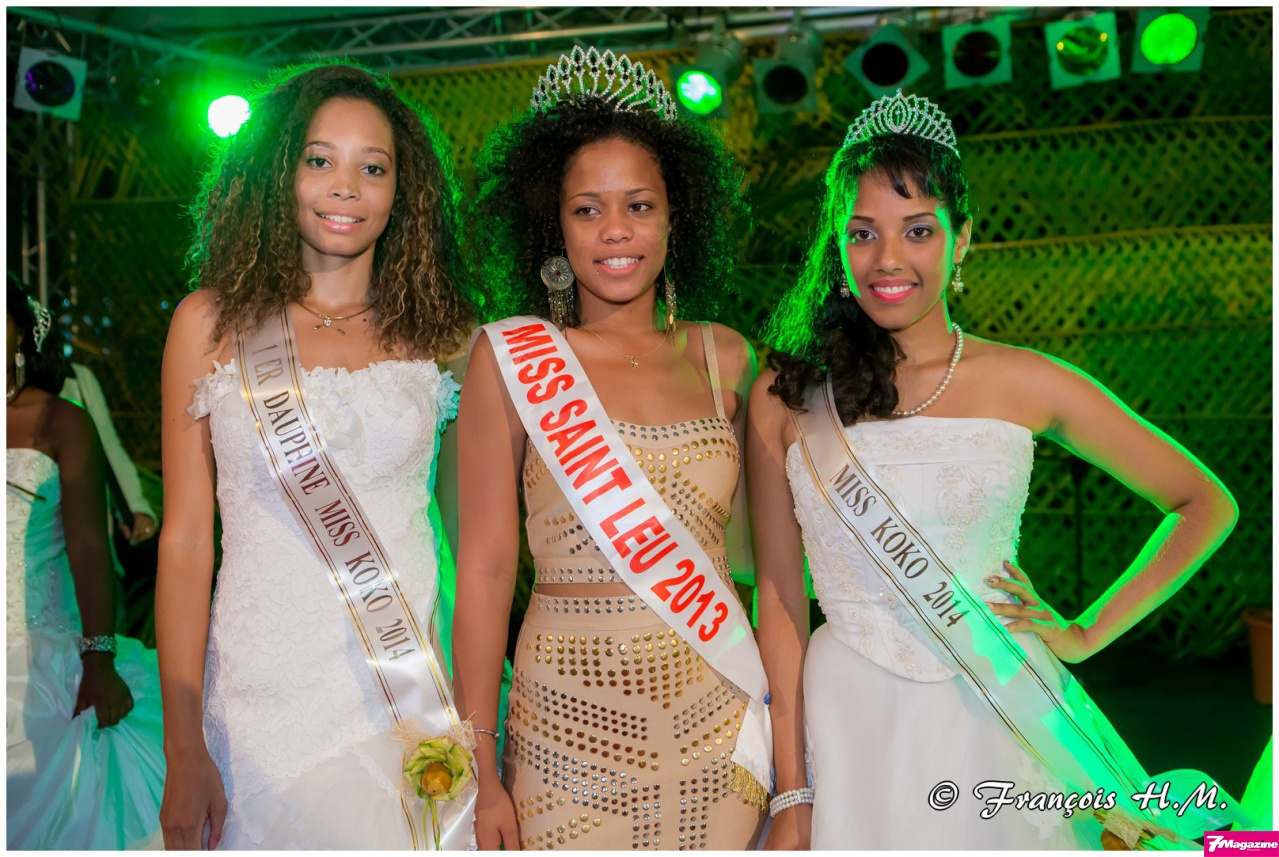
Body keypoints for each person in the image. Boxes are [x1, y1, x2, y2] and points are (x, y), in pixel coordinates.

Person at [747, 90, 1241, 850]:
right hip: (849, 721)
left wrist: (1085, 633)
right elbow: (780, 601)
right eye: (862, 233)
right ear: (837, 248)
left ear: (962, 239)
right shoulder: (786, 397)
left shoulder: (1027, 381)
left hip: (1000, 707)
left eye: (918, 230)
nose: (887, 259)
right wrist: (793, 787)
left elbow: (1202, 503)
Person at [453, 45, 770, 851]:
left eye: (639, 205)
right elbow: (484, 571)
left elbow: (761, 565)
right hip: (563, 729)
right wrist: (478, 762)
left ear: (675, 216)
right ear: (553, 226)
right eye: (587, 210)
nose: (615, 231)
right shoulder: (511, 359)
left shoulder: (726, 358)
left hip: (718, 717)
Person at [156, 62, 475, 850]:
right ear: (278, 173)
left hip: (405, 703)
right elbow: (187, 543)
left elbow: (470, 551)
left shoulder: (446, 337)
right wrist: (183, 746)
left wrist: (477, 716)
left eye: (373, 168)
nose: (345, 187)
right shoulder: (208, 323)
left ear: (403, 191)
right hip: (259, 709)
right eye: (319, 159)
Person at [6, 281, 166, 848]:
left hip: (36, 654)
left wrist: (98, 659)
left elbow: (90, 548)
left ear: (19, 333)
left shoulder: (61, 421)